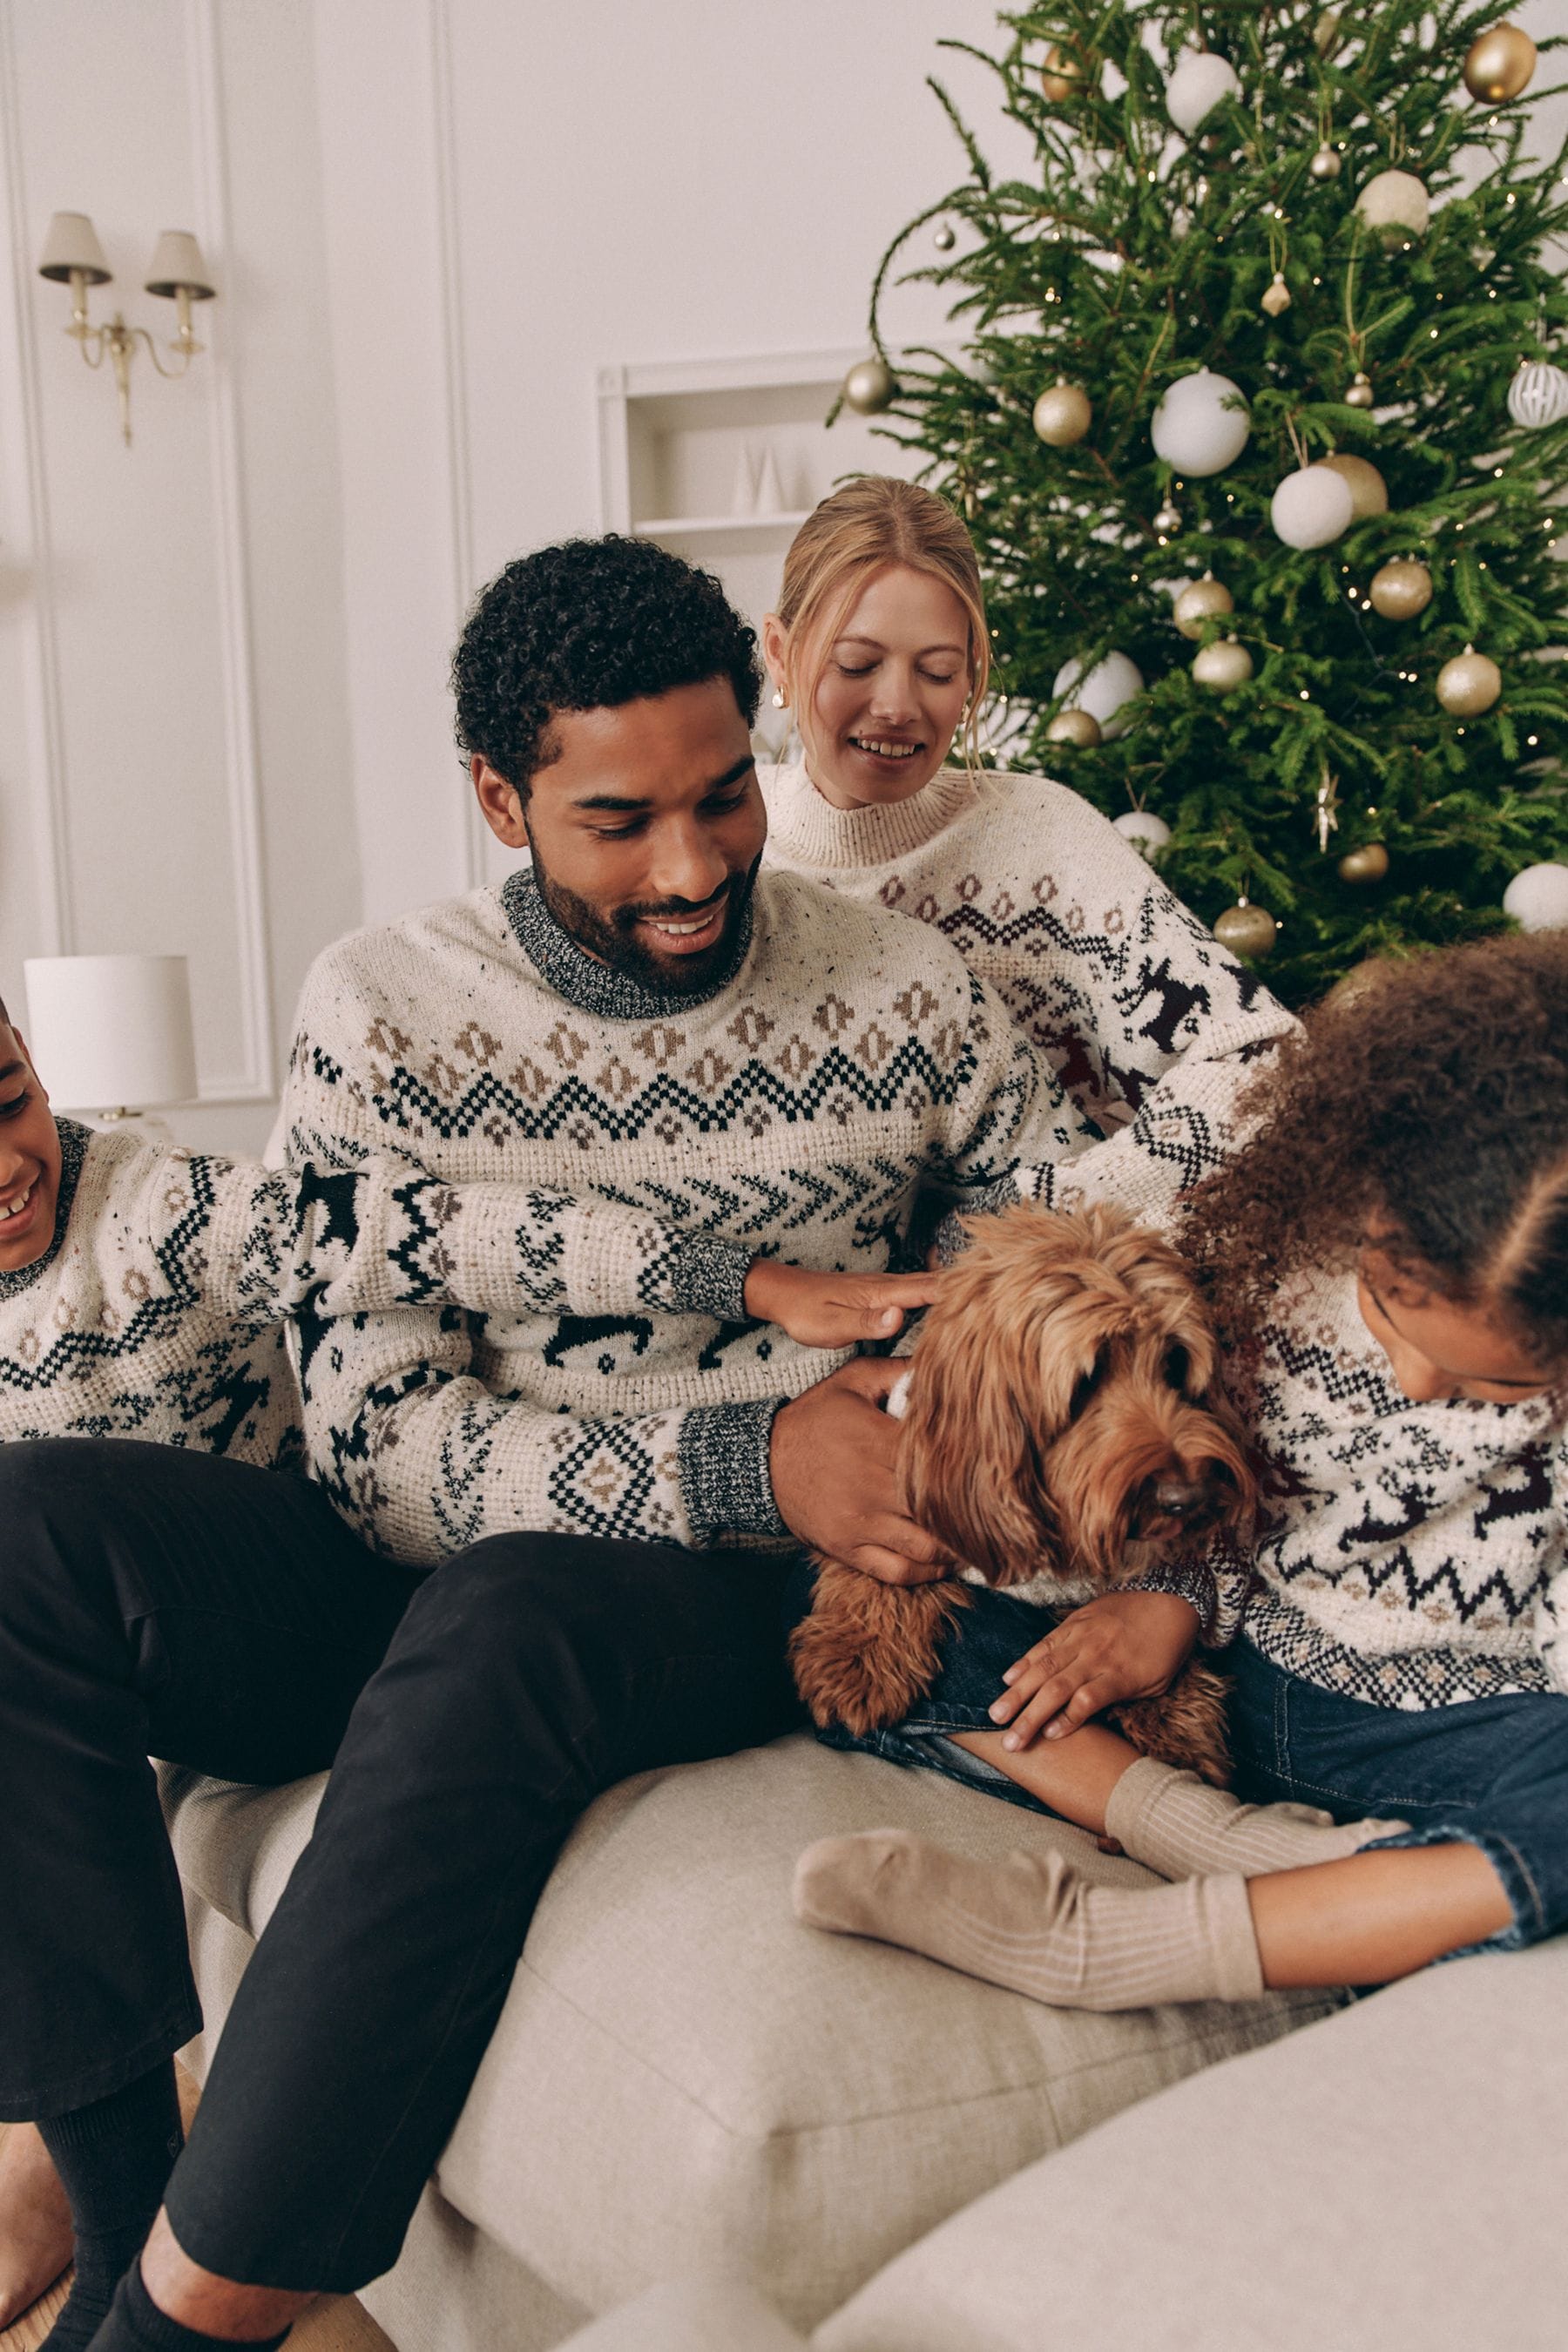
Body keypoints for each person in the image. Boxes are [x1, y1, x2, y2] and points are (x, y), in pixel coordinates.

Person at [10, 531, 1121, 2352]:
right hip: (430, 1559)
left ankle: (169, 2338)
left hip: (708, 1604)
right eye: (619, 822)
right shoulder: (384, 1006)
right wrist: (743, 1452)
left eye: (724, 797)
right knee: (25, 1531)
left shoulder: (913, 999)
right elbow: (379, 1453)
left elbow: (1020, 1315)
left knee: (517, 1608)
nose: (692, 871)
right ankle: (127, 2219)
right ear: (497, 797)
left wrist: (847, 1470)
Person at [0, 991, 935, 2346]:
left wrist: (741, 1280)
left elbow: (434, 1232)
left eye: (10, 1098)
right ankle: (104, 2209)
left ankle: (145, 2272)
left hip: (316, 1611)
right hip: (128, 1672)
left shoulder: (150, 1210)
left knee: (16, 1522)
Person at [794, 934, 1568, 2009]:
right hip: (1248, 1657)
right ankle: (1243, 1848)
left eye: (1497, 1388)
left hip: (1432, 1711)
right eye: (1394, 1315)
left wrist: (1172, 1595)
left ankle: (1137, 1928)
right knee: (878, 1586)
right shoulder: (1265, 1231)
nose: (1420, 1384)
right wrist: (1172, 1594)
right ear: (1372, 1207)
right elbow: (1070, 1286)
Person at [758, 475, 1299, 1227]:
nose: (898, 705)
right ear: (780, 654)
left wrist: (1026, 1216)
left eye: (939, 671)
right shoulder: (716, 851)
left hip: (1059, 1285)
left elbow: (1266, 1066)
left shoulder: (1041, 836)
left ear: (973, 675)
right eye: (857, 664)